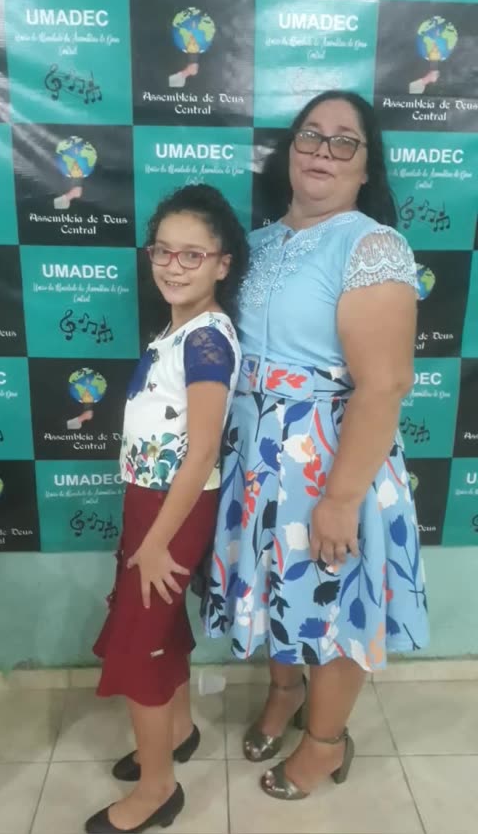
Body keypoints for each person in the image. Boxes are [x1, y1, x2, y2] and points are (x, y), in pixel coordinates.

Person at [204, 91, 429, 800]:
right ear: (290, 149)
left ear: (366, 165)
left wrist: (340, 498)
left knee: (333, 600)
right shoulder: (259, 243)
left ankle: (326, 745)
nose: (323, 152)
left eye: (344, 141)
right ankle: (284, 691)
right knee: (277, 585)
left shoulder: (371, 246)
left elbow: (385, 384)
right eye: (311, 135)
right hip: (255, 457)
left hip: (330, 461)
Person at [85, 184, 248, 833]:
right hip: (149, 502)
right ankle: (177, 731)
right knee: (159, 625)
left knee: (138, 642)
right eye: (163, 251)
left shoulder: (207, 342)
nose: (174, 266)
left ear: (222, 264)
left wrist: (155, 542)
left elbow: (203, 448)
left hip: (170, 513)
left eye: (193, 255)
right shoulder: (180, 328)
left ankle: (158, 790)